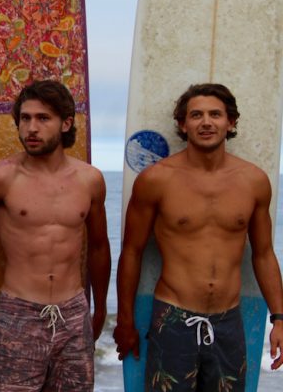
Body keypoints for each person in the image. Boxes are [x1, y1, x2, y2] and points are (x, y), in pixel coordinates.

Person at [0, 79, 111, 391]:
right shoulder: (1, 178)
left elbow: (100, 246)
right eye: (25, 118)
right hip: (19, 313)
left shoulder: (90, 180)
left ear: (66, 124)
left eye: (43, 118)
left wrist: (100, 307)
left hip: (73, 313)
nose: (31, 128)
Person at [114, 83, 283, 390]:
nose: (206, 122)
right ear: (183, 123)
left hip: (228, 322)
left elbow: (263, 253)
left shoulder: (254, 181)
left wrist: (280, 318)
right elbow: (131, 252)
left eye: (215, 114)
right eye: (196, 115)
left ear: (230, 122)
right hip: (173, 318)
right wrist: (124, 321)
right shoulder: (156, 180)